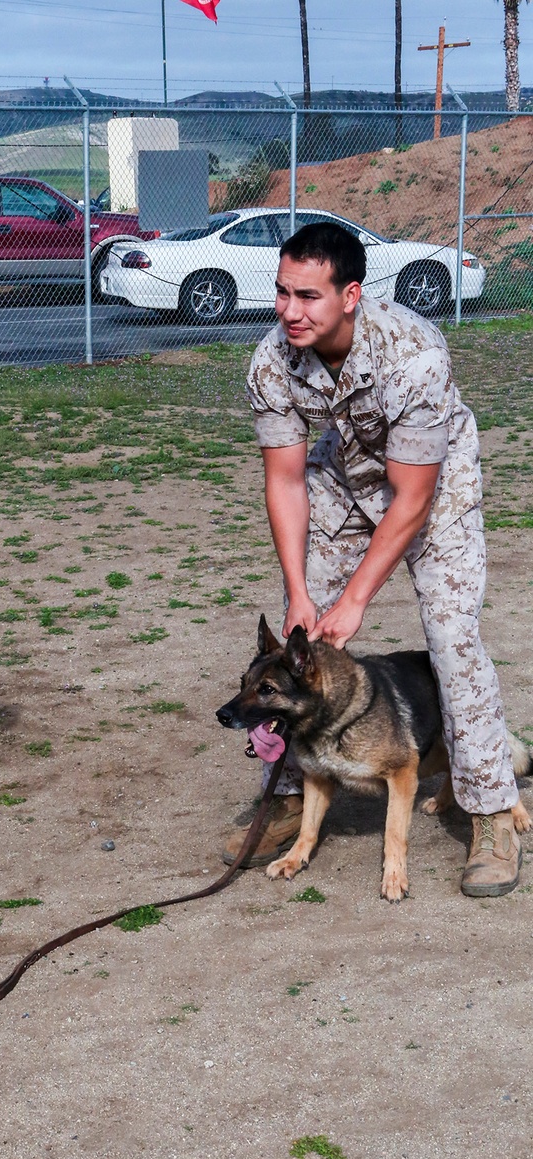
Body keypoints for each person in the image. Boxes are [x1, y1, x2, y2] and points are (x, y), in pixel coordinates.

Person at [221, 220, 523, 898]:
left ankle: (490, 806)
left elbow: (412, 498)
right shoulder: (273, 359)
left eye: (308, 296)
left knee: (452, 639)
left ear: (351, 294)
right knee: (303, 650)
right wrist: (302, 591)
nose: (289, 311)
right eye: (281, 292)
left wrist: (356, 599)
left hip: (432, 487)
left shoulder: (414, 352)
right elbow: (286, 480)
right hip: (343, 479)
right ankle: (299, 790)